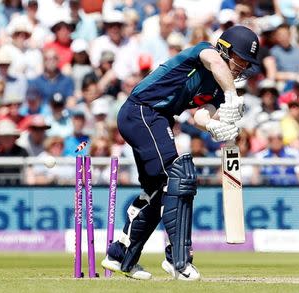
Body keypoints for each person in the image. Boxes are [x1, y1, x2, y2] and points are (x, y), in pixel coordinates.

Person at [101, 26, 260, 281]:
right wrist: (233, 96)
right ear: (226, 50)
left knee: (157, 191)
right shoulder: (205, 52)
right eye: (241, 59)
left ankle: (120, 256)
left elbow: (200, 114)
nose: (243, 67)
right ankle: (178, 260)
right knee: (179, 177)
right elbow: (214, 62)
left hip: (154, 118)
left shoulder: (218, 88)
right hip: (142, 111)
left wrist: (214, 126)